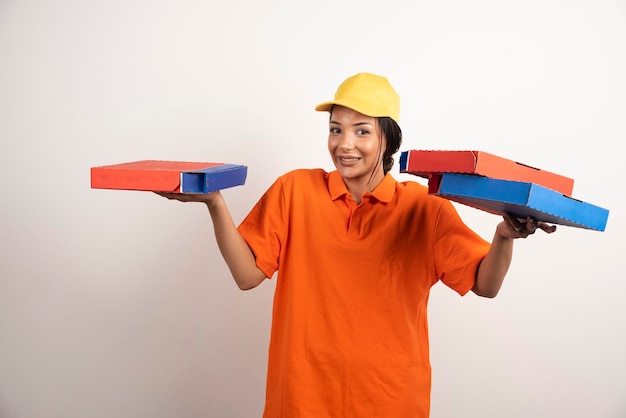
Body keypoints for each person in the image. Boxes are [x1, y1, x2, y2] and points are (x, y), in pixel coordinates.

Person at [157, 72, 556, 418]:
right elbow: (247, 276)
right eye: (336, 129)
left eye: (361, 130)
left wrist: (504, 237)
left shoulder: (424, 207)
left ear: (388, 138)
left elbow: (485, 284)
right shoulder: (294, 190)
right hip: (301, 401)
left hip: (390, 403)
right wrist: (215, 203)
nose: (344, 144)